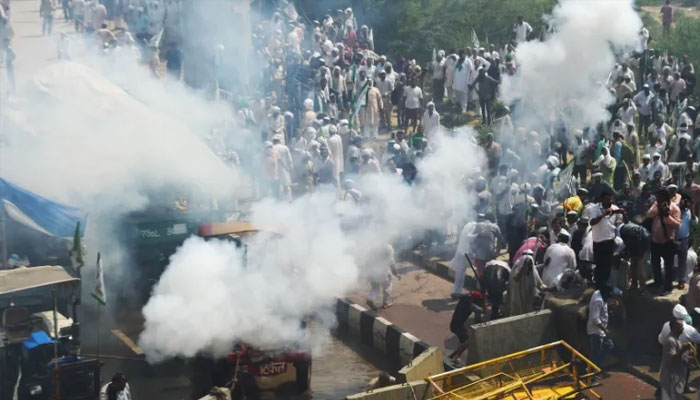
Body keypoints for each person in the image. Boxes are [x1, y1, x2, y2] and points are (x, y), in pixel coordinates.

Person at [583, 189, 624, 288]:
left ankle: (604, 286)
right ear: (602, 200)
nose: (609, 202)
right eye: (607, 200)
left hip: (610, 241)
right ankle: (599, 285)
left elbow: (621, 223)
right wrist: (604, 215)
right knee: (599, 265)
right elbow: (592, 222)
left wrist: (622, 212)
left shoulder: (614, 208)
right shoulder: (594, 209)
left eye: (611, 199)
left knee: (607, 265)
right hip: (598, 242)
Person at [647, 188, 682, 294]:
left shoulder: (674, 208)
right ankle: (658, 282)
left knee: (668, 266)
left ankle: (668, 287)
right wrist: (659, 209)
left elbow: (677, 225)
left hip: (667, 242)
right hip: (655, 241)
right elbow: (649, 214)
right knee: (655, 263)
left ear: (665, 197)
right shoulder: (656, 204)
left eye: (659, 197)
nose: (657, 199)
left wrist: (667, 216)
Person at [448, 290, 484, 363]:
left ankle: (453, 355)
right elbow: (479, 310)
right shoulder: (469, 304)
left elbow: (455, 294)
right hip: (458, 326)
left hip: (456, 324)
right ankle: (456, 356)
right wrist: (484, 306)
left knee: (465, 342)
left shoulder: (465, 298)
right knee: (468, 341)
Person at [508, 250, 546, 316]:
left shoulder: (532, 269)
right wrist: (523, 267)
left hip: (528, 295)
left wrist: (547, 289)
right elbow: (516, 279)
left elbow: (539, 282)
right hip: (518, 295)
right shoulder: (517, 266)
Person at [619, 215, 651, 292]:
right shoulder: (625, 231)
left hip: (641, 248)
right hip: (634, 247)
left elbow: (645, 247)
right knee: (633, 266)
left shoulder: (645, 236)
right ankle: (634, 285)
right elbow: (626, 243)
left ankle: (642, 286)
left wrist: (640, 254)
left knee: (640, 268)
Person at [659, 319, 689, 399]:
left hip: (677, 375)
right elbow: (672, 359)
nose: (682, 329)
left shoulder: (677, 338)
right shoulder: (670, 341)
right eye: (680, 327)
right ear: (674, 328)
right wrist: (683, 350)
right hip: (670, 377)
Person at [587, 286, 614, 368]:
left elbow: (602, 308)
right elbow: (595, 318)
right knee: (596, 352)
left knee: (609, 345)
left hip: (601, 331)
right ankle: (592, 372)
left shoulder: (599, 293)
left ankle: (597, 366)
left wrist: (610, 306)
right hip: (596, 331)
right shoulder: (598, 300)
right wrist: (605, 329)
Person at [365, 243, 398, 310]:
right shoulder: (389, 255)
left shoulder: (373, 253)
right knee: (387, 288)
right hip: (383, 274)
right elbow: (392, 266)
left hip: (372, 273)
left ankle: (370, 300)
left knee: (375, 289)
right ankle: (384, 303)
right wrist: (396, 274)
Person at [676, 194, 697, 289]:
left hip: (684, 238)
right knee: (669, 259)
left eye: (687, 201)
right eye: (683, 201)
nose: (685, 203)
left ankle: (681, 280)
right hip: (672, 238)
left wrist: (692, 211)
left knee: (682, 260)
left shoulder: (689, 211)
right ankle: (668, 279)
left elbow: (694, 223)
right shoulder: (674, 208)